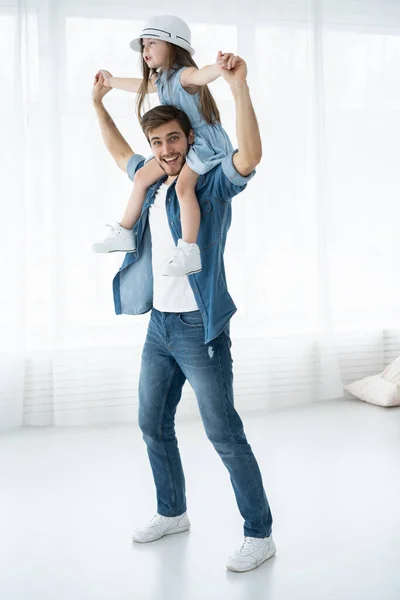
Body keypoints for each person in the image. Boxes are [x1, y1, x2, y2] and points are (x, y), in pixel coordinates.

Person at [92, 43, 276, 573]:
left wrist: (239, 87)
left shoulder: (211, 186)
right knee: (152, 423)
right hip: (160, 328)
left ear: (189, 139)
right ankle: (172, 512)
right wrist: (99, 105)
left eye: (174, 138)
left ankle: (259, 533)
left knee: (224, 433)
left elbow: (251, 156)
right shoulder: (150, 185)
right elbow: (115, 151)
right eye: (157, 142)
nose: (166, 149)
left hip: (201, 329)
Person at [93, 15, 236, 278]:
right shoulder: (161, 80)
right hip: (185, 142)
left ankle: (188, 250)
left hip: (204, 144)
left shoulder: (184, 76)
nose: (145, 50)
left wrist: (219, 67)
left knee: (183, 186)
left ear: (173, 45)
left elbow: (202, 73)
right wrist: (111, 82)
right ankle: (125, 231)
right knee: (141, 176)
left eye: (151, 43)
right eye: (143, 46)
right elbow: (141, 87)